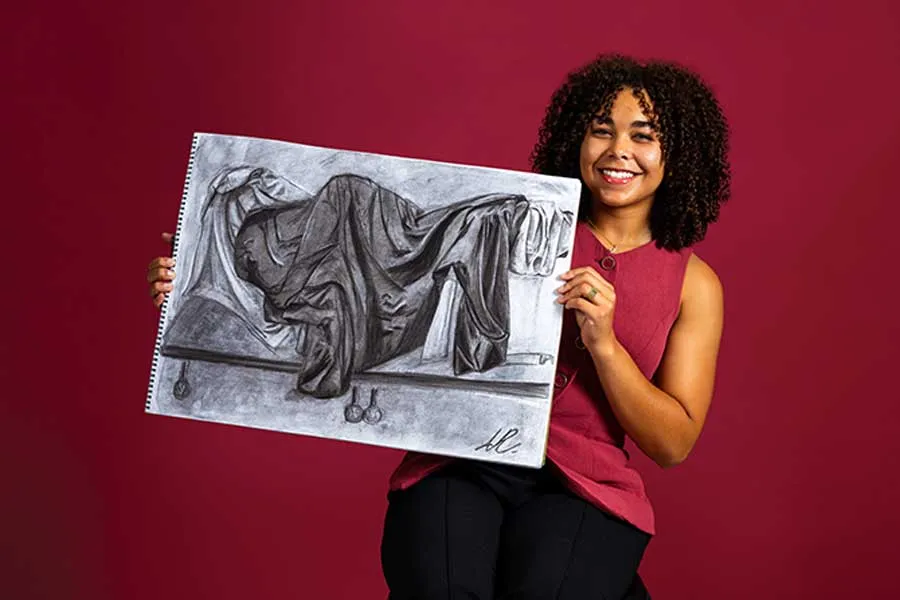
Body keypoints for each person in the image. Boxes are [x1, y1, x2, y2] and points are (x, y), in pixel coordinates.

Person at [146, 53, 730, 599]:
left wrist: (604, 346)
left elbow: (672, 443)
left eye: (643, 136)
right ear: (577, 136)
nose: (618, 150)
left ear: (678, 154)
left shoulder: (694, 284)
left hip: (587, 485)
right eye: (601, 129)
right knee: (438, 582)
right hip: (462, 456)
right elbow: (364, 243)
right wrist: (206, 260)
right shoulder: (513, 214)